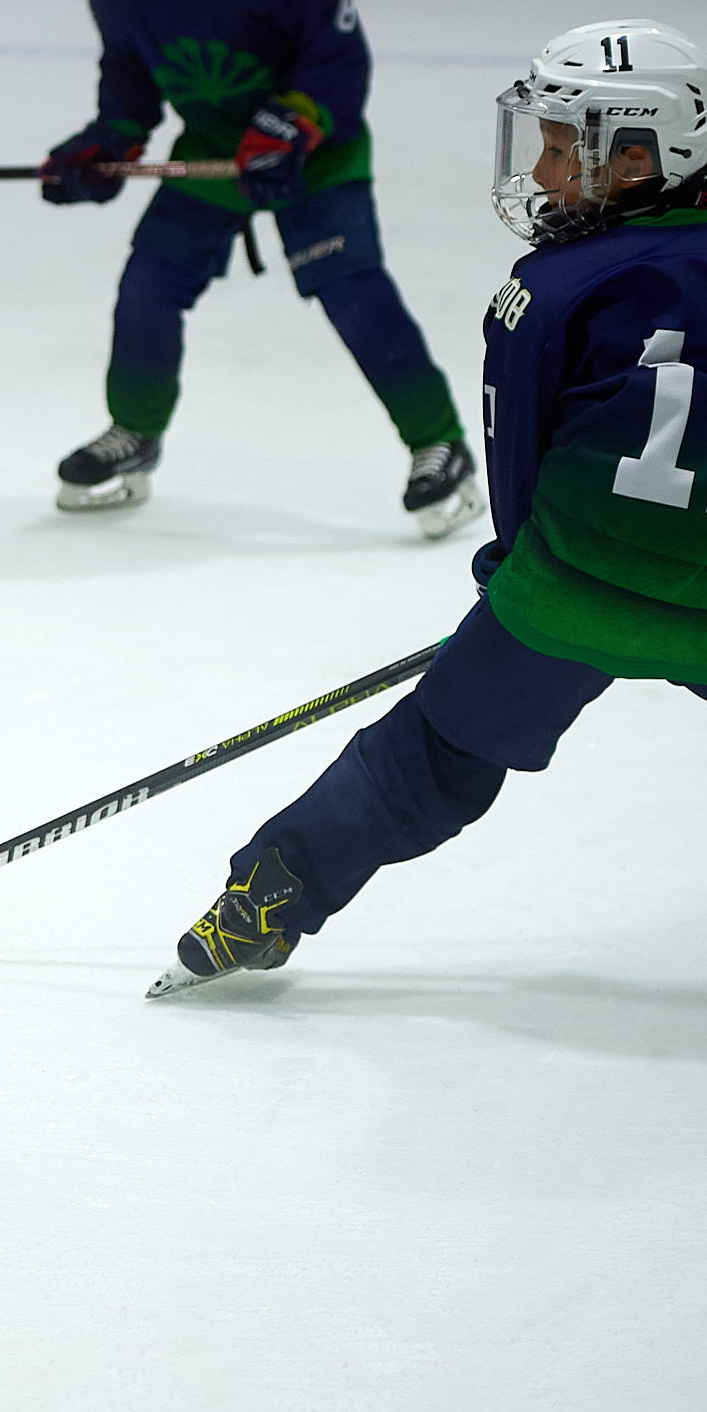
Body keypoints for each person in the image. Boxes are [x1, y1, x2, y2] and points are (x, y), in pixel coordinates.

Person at [147, 18, 707, 998]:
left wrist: (511, 585)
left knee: (431, 753)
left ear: (637, 154)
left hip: (562, 595)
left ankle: (264, 901)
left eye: (557, 145)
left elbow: (519, 463)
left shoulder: (549, 285)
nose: (537, 170)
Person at [39, 0, 485, 537]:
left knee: (352, 293)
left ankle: (438, 440)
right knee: (148, 285)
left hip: (316, 158)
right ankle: (134, 431)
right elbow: (130, 69)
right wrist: (111, 138)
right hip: (214, 155)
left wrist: (294, 123)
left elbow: (336, 58)